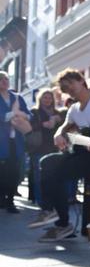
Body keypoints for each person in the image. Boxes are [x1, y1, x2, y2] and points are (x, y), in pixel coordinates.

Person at [28, 68, 90, 242]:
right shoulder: (74, 109)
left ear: (81, 81)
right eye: (64, 87)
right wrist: (58, 133)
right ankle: (51, 213)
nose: (68, 88)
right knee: (47, 162)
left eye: (70, 83)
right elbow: (65, 126)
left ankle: (62, 224)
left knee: (58, 174)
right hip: (80, 152)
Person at [0, 71, 31, 213]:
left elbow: (29, 115)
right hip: (2, 141)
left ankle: (10, 201)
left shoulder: (17, 97)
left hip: (16, 142)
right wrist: (13, 113)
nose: (4, 81)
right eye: (1, 79)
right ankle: (1, 200)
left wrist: (22, 114)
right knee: (2, 172)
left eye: (6, 78)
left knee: (14, 173)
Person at [28, 88, 64, 206]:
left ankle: (51, 200)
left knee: (53, 176)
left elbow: (65, 127)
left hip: (54, 149)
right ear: (40, 99)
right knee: (39, 177)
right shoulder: (35, 111)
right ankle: (41, 201)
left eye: (49, 97)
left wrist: (58, 120)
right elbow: (29, 127)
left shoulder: (57, 113)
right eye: (45, 97)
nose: (47, 100)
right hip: (38, 148)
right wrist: (43, 124)